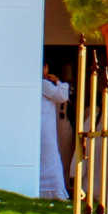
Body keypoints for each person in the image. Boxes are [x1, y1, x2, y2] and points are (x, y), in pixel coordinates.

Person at [39, 65, 71, 200]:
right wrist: (58, 81)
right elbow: (62, 96)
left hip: (43, 126)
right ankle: (54, 190)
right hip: (46, 128)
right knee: (51, 157)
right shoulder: (44, 84)